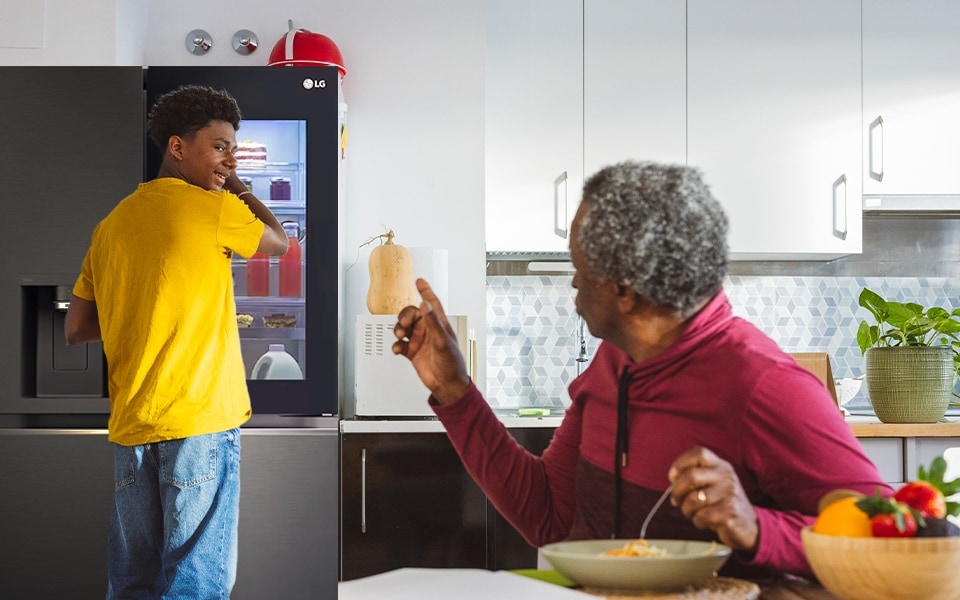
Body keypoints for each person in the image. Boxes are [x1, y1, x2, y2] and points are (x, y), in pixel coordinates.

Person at [393, 160, 890, 581]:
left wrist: (759, 528)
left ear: (625, 290)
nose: (572, 286)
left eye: (579, 270)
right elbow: (553, 518)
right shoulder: (615, 360)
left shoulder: (767, 386)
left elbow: (891, 544)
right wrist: (456, 392)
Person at [64, 85, 288, 598]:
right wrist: (241, 190)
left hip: (132, 430)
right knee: (195, 584)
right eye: (219, 146)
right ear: (177, 147)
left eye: (233, 149)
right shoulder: (212, 207)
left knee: (133, 582)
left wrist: (140, 310)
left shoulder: (110, 225)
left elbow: (76, 327)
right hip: (198, 424)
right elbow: (279, 243)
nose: (229, 160)